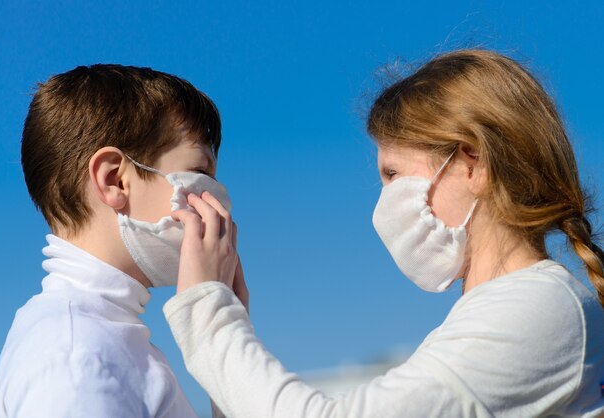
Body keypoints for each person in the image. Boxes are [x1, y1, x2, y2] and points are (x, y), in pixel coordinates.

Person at [163, 49, 604, 417]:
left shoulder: (536, 308)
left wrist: (208, 314)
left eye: (393, 175)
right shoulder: (507, 309)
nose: (383, 203)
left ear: (472, 164)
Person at [0, 64, 232, 417]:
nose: (217, 202)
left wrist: (224, 331)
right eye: (200, 173)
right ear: (115, 180)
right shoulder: (77, 354)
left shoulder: (103, 338)